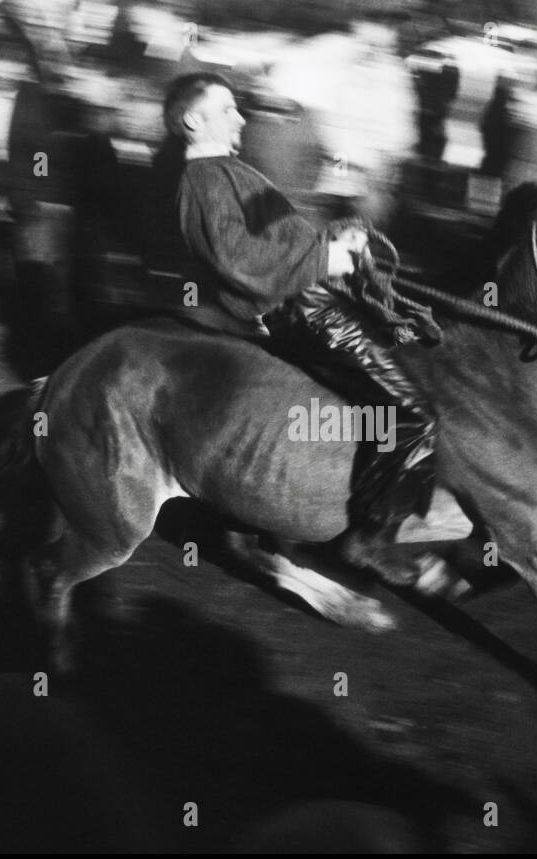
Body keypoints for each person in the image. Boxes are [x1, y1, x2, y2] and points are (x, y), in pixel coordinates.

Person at [160, 72, 439, 579]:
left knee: (414, 357)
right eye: (226, 109)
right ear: (193, 121)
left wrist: (335, 240)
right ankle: (371, 538)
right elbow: (238, 260)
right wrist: (325, 259)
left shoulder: (230, 171)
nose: (241, 117)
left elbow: (280, 238)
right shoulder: (203, 182)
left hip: (312, 298)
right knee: (415, 415)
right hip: (301, 312)